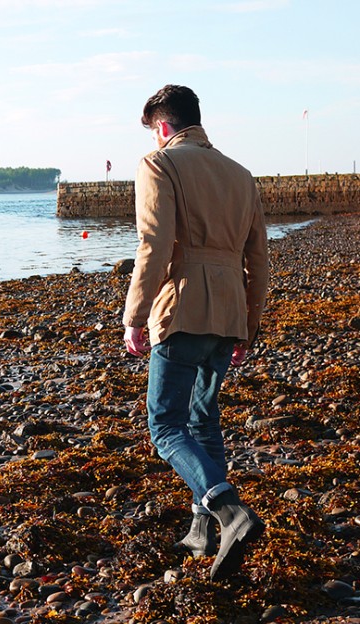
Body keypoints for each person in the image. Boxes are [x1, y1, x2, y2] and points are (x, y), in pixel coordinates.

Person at [122, 84, 269, 581]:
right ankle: (201, 532)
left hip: (182, 310)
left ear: (163, 126)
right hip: (229, 314)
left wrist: (135, 315)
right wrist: (249, 325)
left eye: (153, 131)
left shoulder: (159, 163)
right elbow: (258, 259)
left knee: (165, 425)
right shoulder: (241, 174)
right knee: (203, 420)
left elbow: (154, 243)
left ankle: (229, 511)